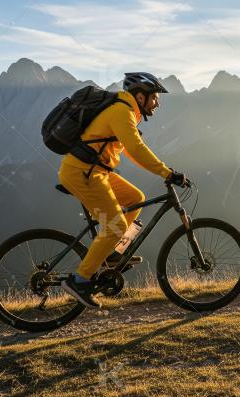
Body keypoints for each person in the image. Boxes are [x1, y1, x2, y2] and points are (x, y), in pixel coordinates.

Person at [58, 72, 188, 308]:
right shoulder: (122, 111)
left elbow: (129, 150)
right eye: (155, 98)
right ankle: (80, 280)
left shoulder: (127, 112)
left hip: (96, 171)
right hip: (83, 172)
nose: (157, 103)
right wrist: (166, 173)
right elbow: (136, 149)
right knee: (115, 224)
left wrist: (163, 169)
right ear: (140, 96)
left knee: (135, 197)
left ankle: (110, 253)